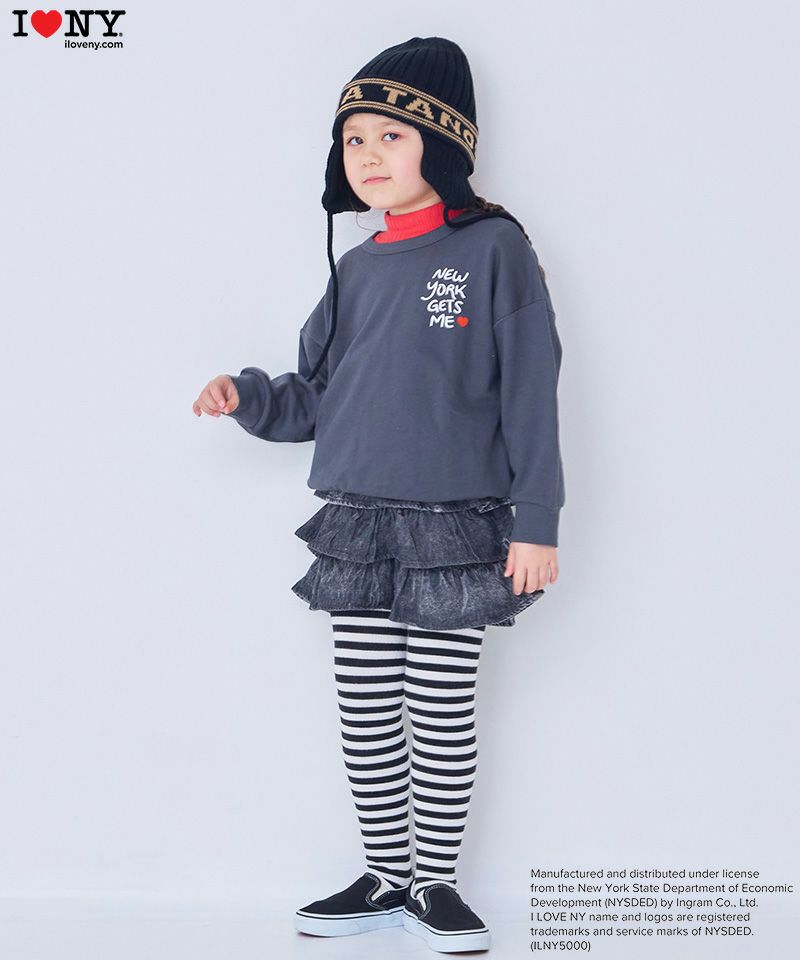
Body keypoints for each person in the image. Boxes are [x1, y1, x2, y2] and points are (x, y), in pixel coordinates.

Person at [192, 36, 565, 955]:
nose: (367, 155)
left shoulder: (494, 249)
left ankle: (435, 882)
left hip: (453, 526)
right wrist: (249, 397)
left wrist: (537, 522)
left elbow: (531, 392)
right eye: (353, 139)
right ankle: (385, 873)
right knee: (366, 711)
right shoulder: (355, 270)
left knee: (438, 712)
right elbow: (319, 395)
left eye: (389, 135)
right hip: (356, 524)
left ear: (442, 143)